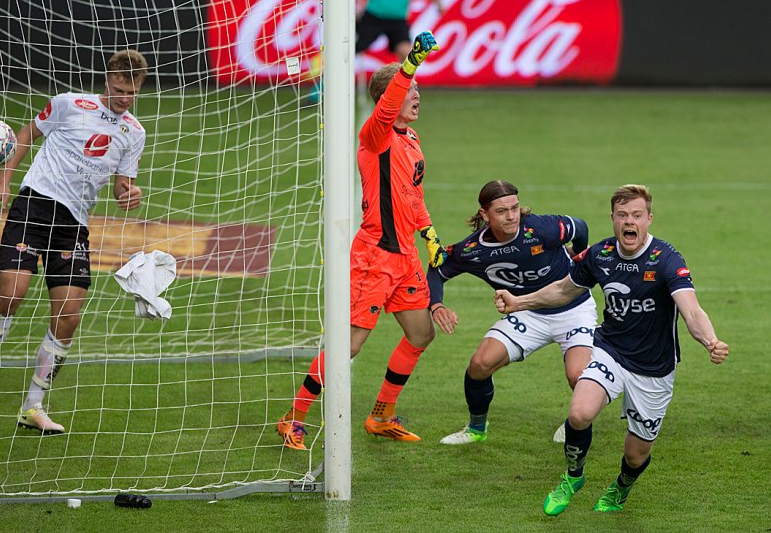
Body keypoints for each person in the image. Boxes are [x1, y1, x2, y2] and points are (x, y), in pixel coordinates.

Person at [494, 185, 728, 515]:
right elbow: (563, 290)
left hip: (653, 367)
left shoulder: (666, 259)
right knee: (579, 413)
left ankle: (621, 487)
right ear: (613, 219)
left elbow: (691, 310)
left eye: (636, 215)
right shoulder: (600, 254)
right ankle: (573, 477)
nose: (628, 222)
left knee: (636, 454)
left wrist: (710, 340)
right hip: (610, 350)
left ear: (649, 219)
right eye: (621, 215)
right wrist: (520, 302)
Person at [0, 50, 149, 434]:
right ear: (106, 82)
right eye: (118, 89)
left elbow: (121, 186)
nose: (124, 97)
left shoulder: (134, 132)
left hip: (73, 225)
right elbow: (27, 135)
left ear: (139, 89)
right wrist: (3, 182)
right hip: (33, 205)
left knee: (69, 316)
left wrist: (130, 193)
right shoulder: (69, 104)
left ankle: (33, 406)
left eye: (131, 92)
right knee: (13, 292)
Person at [276, 31, 445, 447]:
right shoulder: (377, 135)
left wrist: (430, 235)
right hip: (374, 256)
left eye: (418, 89)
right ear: (389, 98)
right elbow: (388, 106)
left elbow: (413, 193)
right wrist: (409, 66)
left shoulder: (410, 138)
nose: (417, 95)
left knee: (421, 334)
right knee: (348, 345)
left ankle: (381, 415)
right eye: (411, 91)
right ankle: (292, 417)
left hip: (404, 256)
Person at [430, 180, 595, 445]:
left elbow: (581, 227)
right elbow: (437, 270)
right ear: (484, 214)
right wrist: (437, 305)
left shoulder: (543, 228)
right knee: (480, 364)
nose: (511, 216)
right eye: (502, 211)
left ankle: (575, 422)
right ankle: (476, 428)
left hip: (573, 310)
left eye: (515, 208)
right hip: (526, 313)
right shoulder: (473, 250)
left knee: (579, 377)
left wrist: (577, 255)